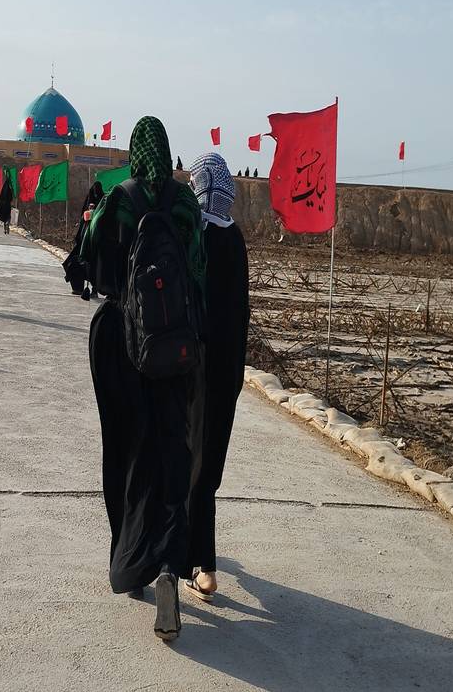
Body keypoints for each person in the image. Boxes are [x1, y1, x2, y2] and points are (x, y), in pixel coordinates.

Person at [79, 115, 204, 642]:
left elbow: (93, 268)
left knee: (128, 452)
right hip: (176, 350)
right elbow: (198, 271)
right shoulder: (185, 204)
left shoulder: (119, 199)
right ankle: (171, 567)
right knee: (172, 452)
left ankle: (131, 563)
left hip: (124, 349)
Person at [181, 152, 248, 605]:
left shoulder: (193, 233)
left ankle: (201, 565)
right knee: (209, 466)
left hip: (192, 367)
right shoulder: (235, 237)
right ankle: (196, 558)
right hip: (227, 371)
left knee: (191, 465)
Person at [62, 181, 104, 298]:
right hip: (89, 240)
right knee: (89, 264)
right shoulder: (93, 205)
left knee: (92, 265)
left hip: (94, 240)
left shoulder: (100, 205)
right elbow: (83, 222)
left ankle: (94, 288)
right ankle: (87, 288)